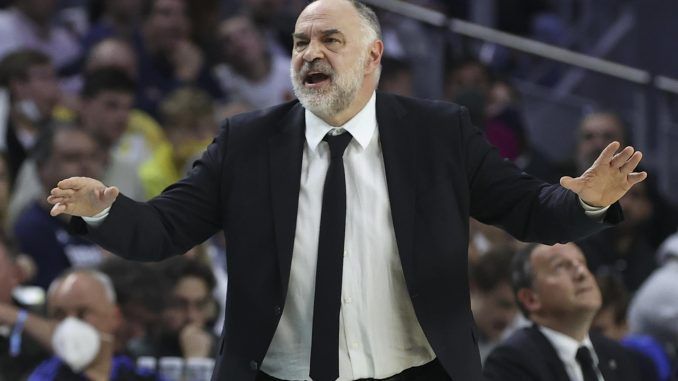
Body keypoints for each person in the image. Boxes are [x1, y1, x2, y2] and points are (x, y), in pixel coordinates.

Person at [47, 1, 647, 380]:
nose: (311, 52)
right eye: (301, 42)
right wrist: (106, 213)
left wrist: (587, 201)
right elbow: (164, 230)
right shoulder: (246, 141)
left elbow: (528, 211)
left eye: (330, 40)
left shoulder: (438, 133)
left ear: (373, 55)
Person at [483, 243, 647, 381]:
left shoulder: (617, 354)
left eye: (583, 263)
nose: (582, 273)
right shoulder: (510, 362)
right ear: (531, 299)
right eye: (560, 266)